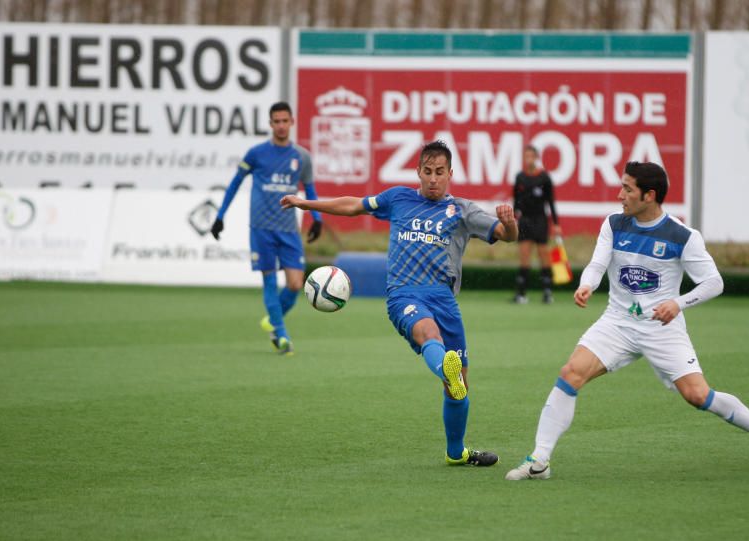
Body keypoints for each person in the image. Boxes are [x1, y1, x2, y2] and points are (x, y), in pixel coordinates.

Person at [505, 161, 749, 481]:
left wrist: (678, 303)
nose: (620, 195)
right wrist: (587, 284)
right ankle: (540, 459)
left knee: (698, 395)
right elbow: (597, 264)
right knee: (570, 373)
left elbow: (714, 283)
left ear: (649, 196)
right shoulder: (614, 224)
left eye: (628, 189)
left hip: (662, 328)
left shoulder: (683, 235)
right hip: (617, 322)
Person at [280, 140, 518, 466]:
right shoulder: (398, 199)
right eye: (427, 172)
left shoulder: (462, 210)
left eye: (439, 172)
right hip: (404, 294)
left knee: (460, 384)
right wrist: (307, 204)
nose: (433, 179)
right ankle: (446, 371)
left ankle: (456, 452)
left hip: (444, 299)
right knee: (428, 335)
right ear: (418, 172)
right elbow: (353, 205)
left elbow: (506, 235)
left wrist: (511, 222)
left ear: (450, 174)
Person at [211, 101, 323, 356]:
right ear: (270, 124)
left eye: (285, 121)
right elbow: (235, 183)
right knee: (270, 280)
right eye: (277, 121)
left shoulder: (302, 157)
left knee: (296, 284)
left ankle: (273, 318)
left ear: (292, 122)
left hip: (288, 229)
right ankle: (281, 335)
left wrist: (317, 218)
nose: (281, 126)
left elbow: (310, 190)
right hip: (261, 227)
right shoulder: (256, 154)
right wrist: (220, 216)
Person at [512, 145, 560, 304]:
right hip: (525, 221)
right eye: (526, 156)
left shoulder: (544, 178)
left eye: (532, 156)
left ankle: (547, 293)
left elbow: (551, 202)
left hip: (540, 220)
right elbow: (516, 202)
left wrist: (556, 223)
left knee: (544, 256)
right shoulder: (520, 177)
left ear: (537, 158)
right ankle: (521, 294)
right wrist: (512, 218)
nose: (529, 159)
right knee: (524, 258)